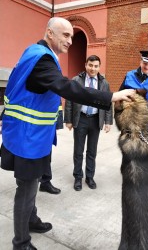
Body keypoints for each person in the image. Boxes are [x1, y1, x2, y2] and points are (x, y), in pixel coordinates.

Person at [0, 17, 135, 250]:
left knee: (32, 184)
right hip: (27, 138)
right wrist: (110, 97)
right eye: (65, 35)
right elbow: (65, 87)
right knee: (27, 188)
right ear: (50, 33)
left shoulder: (37, 53)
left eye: (72, 36)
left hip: (32, 135)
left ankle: (30, 220)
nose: (71, 41)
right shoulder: (42, 59)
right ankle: (20, 242)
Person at [64, 55, 113, 191]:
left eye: (96, 66)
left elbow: (108, 102)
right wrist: (68, 120)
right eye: (90, 65)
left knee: (92, 151)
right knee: (78, 151)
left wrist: (108, 121)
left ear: (99, 67)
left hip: (96, 120)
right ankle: (78, 177)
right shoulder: (76, 80)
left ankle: (90, 177)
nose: (93, 68)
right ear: (86, 65)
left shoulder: (104, 83)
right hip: (81, 119)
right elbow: (69, 100)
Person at [39, 104, 63, 195]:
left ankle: (45, 182)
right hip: (32, 123)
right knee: (30, 155)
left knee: (46, 154)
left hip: (48, 123)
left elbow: (57, 102)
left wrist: (58, 123)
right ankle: (26, 186)